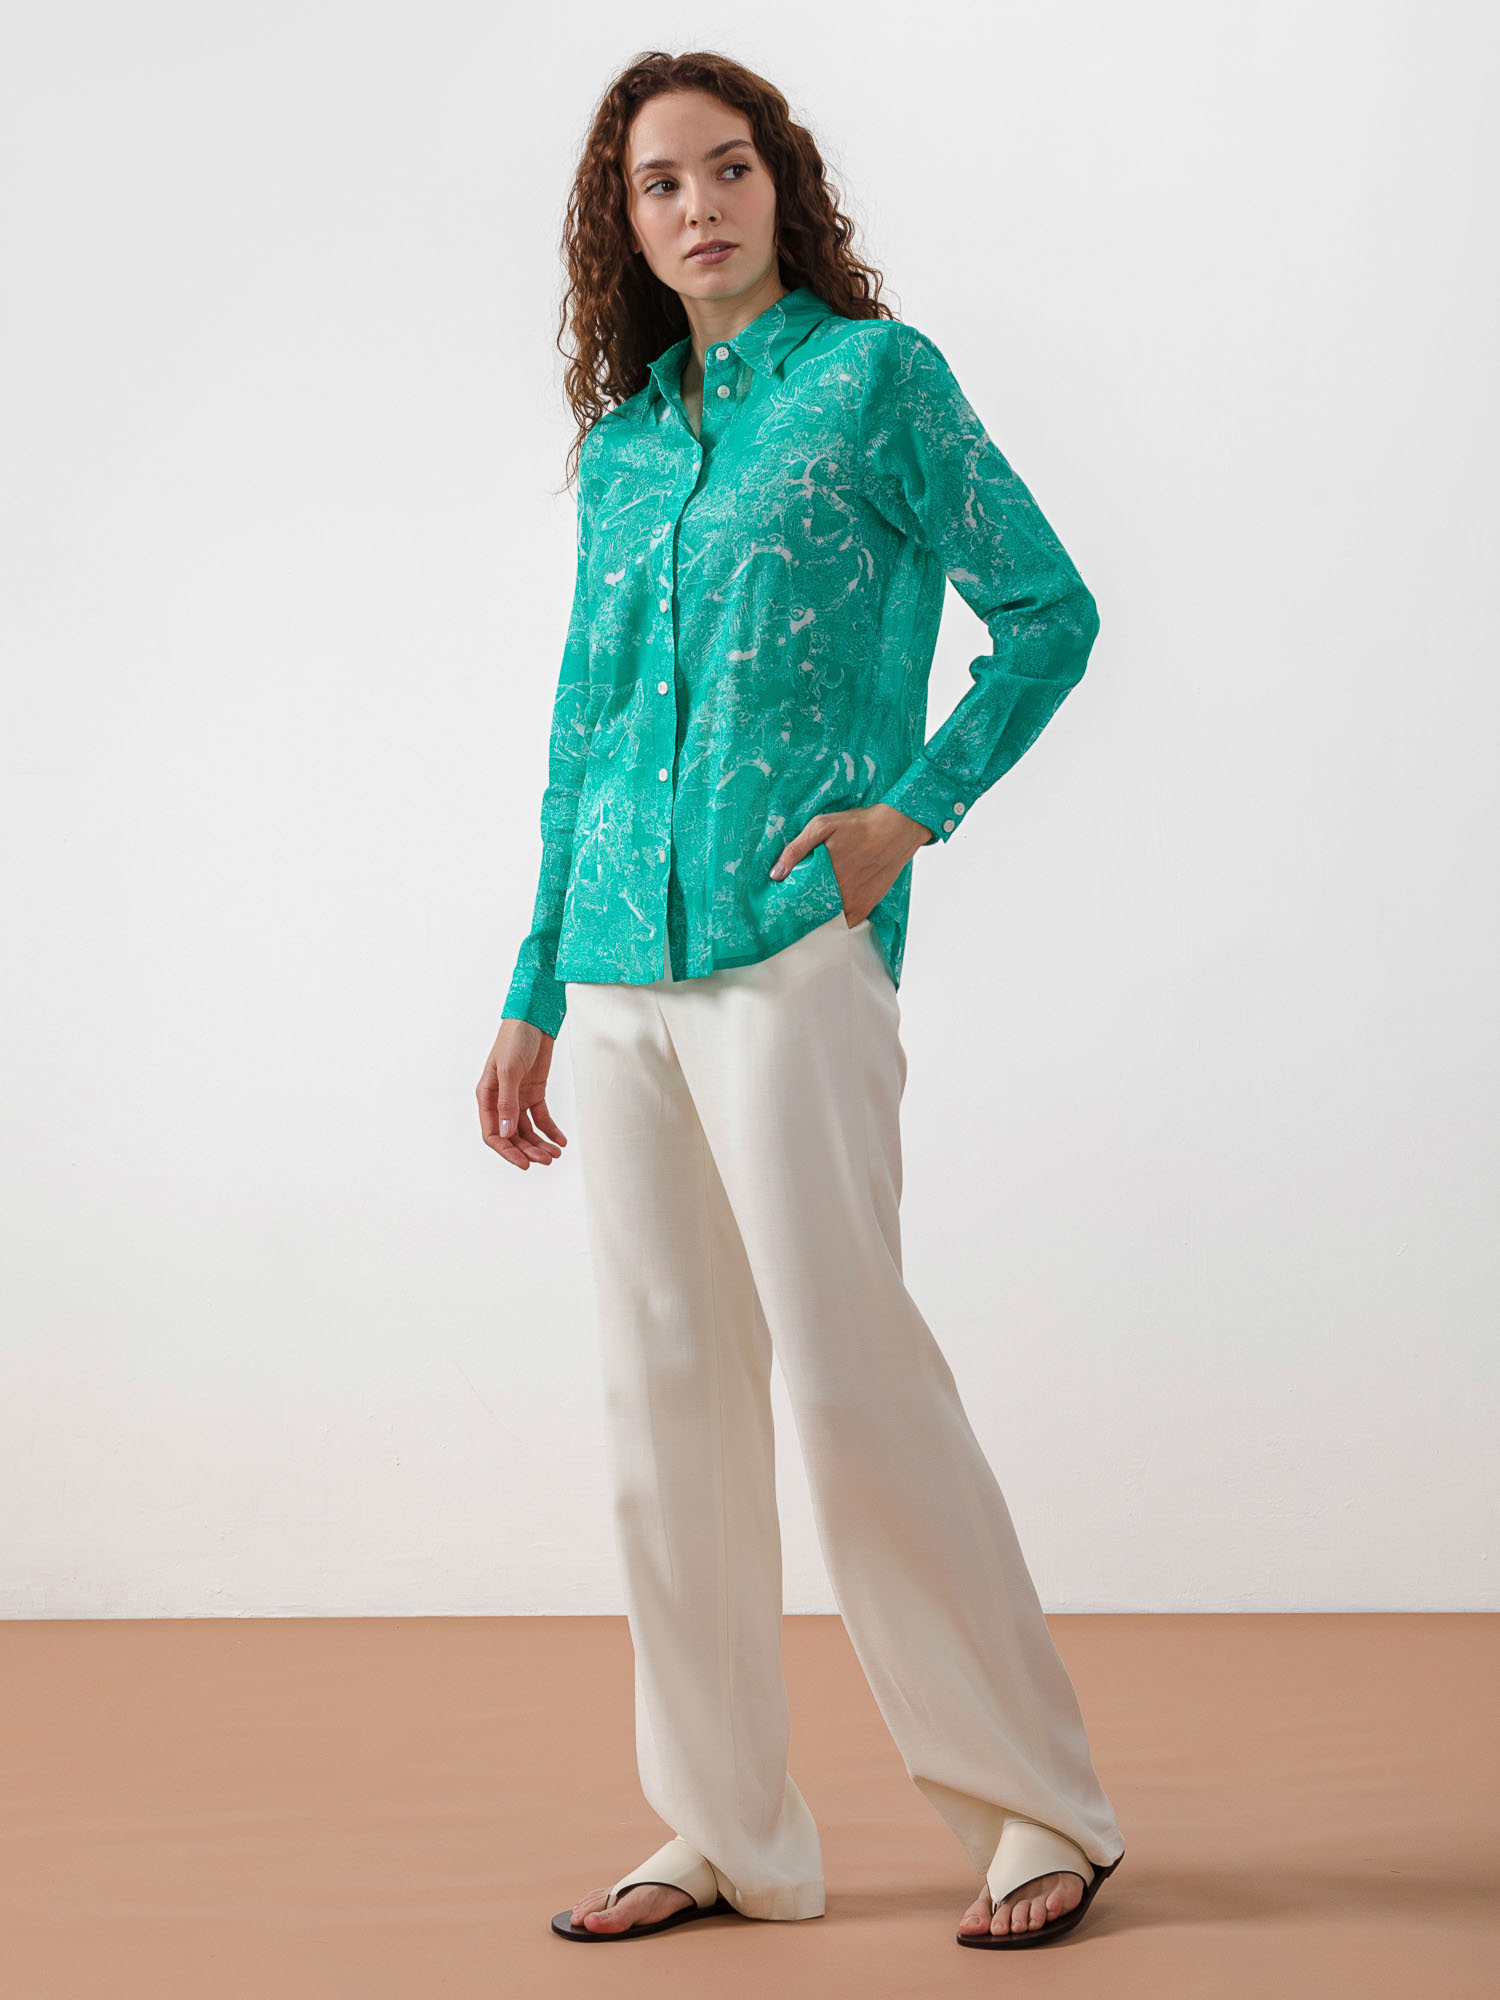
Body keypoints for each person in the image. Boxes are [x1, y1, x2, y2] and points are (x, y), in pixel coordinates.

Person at [476, 48, 1126, 1952]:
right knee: (663, 1402)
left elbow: (1051, 610)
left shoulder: (875, 382)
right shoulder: (625, 448)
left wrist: (907, 818)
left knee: (847, 1381)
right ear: (625, 225)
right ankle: (725, 1829)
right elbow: (588, 726)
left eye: (729, 167)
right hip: (616, 964)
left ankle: (1039, 1808)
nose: (700, 205)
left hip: (788, 950)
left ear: (783, 182)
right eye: (660, 183)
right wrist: (531, 981)